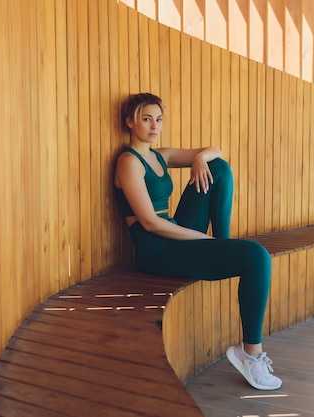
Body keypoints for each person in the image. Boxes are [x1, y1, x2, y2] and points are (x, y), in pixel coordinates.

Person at [113, 92, 282, 391]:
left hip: (176, 233)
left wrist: (201, 158)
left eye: (159, 119)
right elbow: (150, 222)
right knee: (257, 256)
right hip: (157, 250)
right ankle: (249, 354)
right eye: (146, 118)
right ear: (130, 121)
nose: (154, 126)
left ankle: (223, 244)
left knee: (218, 167)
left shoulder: (159, 155)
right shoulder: (129, 162)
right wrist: (202, 238)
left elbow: (214, 151)